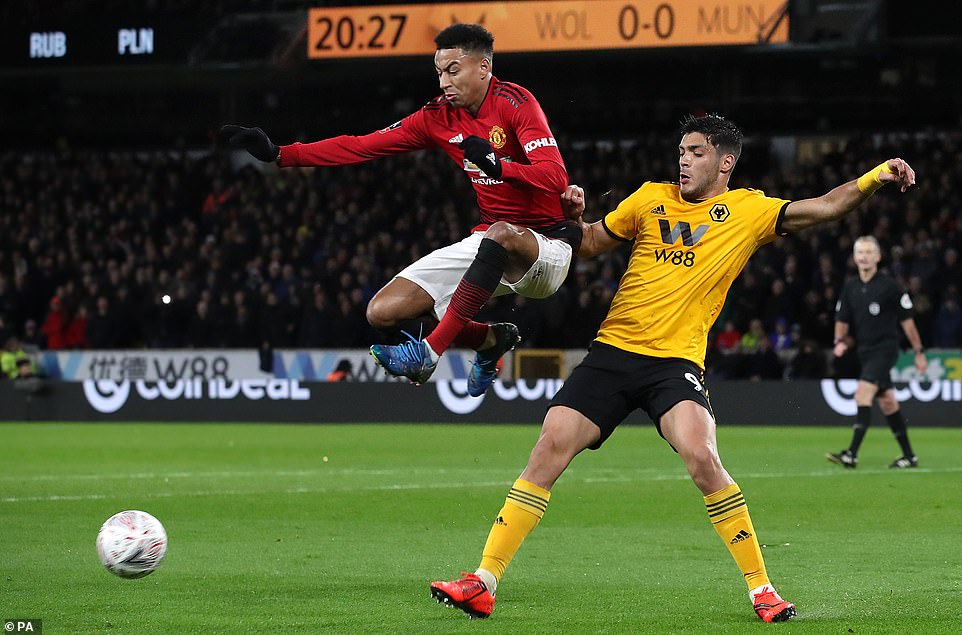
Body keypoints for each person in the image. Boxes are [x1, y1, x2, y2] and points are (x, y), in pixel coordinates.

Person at [429, 114, 916, 623]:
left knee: (702, 456)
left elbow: (828, 206)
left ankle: (763, 589)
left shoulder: (749, 210)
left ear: (725, 162)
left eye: (697, 152)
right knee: (548, 448)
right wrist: (572, 216)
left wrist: (874, 176)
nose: (684, 160)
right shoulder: (648, 198)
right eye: (682, 151)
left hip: (675, 363)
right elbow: (589, 243)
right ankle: (483, 581)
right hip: (612, 353)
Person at [222, 23, 579, 397]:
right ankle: (489, 340)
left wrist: (499, 167)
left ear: (483, 67)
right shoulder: (437, 117)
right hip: (491, 241)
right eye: (439, 72)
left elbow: (555, 177)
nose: (443, 83)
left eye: (453, 71)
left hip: (546, 245)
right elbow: (362, 145)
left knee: (501, 233)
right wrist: (281, 154)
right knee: (382, 311)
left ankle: (428, 354)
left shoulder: (516, 103)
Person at [827, 236, 927, 469]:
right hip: (865, 351)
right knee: (888, 402)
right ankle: (909, 457)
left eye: (869, 252)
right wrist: (839, 341)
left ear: (878, 257)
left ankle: (851, 454)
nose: (864, 257)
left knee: (862, 395)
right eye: (860, 253)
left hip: (885, 349)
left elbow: (907, 322)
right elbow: (841, 319)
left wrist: (919, 352)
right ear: (854, 257)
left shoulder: (890, 286)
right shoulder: (850, 286)